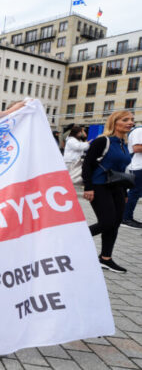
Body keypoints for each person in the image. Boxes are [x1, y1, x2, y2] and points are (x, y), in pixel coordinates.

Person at [82, 110, 135, 273]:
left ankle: (106, 258)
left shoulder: (123, 144)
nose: (130, 122)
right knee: (106, 222)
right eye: (125, 120)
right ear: (115, 122)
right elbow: (87, 164)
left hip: (117, 187)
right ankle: (72, 239)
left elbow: (120, 169)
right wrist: (88, 187)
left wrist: (125, 193)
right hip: (99, 186)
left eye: (132, 120)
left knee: (115, 223)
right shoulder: (102, 141)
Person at [122, 124, 142, 229]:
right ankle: (126, 218)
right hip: (137, 167)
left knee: (136, 192)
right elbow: (137, 148)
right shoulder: (139, 131)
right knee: (134, 192)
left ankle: (126, 217)